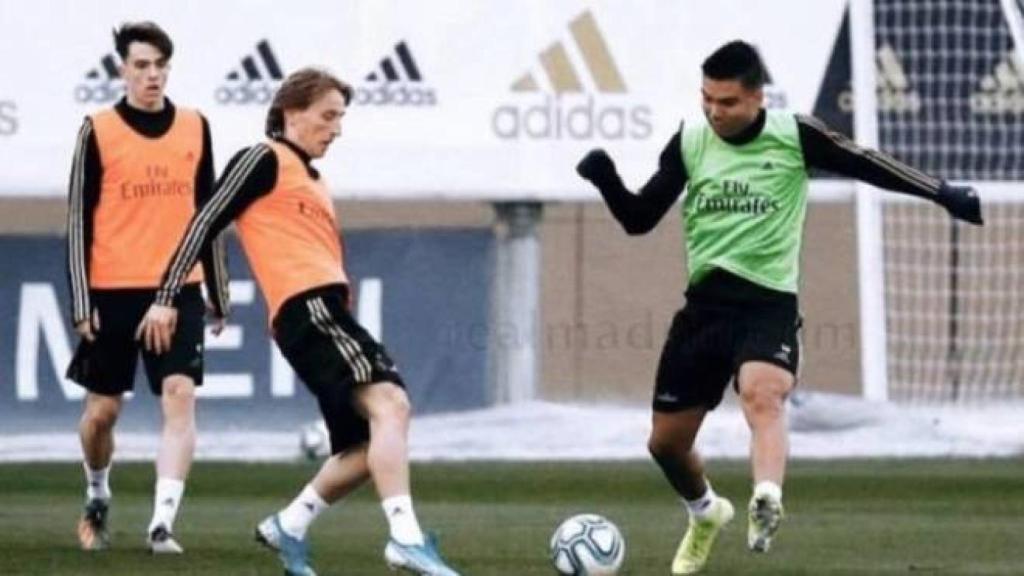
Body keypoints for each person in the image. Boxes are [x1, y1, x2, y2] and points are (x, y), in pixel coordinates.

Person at [575, 40, 983, 575]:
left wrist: (942, 192)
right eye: (707, 99)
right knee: (666, 445)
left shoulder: (795, 135)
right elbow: (638, 218)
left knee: (762, 395)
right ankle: (705, 513)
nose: (715, 112)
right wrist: (606, 179)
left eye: (727, 102)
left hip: (767, 303)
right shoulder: (692, 141)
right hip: (704, 311)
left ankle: (766, 494)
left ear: (756, 97)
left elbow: (867, 164)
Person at [135, 67, 460, 576]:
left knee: (366, 444)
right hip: (308, 308)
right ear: (291, 112)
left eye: (341, 118)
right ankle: (405, 538)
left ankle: (288, 524)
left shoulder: (313, 178)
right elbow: (205, 219)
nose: (336, 128)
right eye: (328, 115)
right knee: (392, 403)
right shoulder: (264, 157)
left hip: (322, 309)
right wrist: (168, 295)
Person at [66, 21, 230, 554]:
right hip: (113, 288)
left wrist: (218, 292)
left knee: (180, 396)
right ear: (123, 69)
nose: (152, 74)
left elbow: (209, 214)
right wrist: (81, 297)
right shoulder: (98, 128)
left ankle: (162, 523)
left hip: (179, 285)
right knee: (102, 414)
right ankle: (97, 491)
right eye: (142, 65)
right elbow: (78, 218)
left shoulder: (194, 126)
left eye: (160, 65)